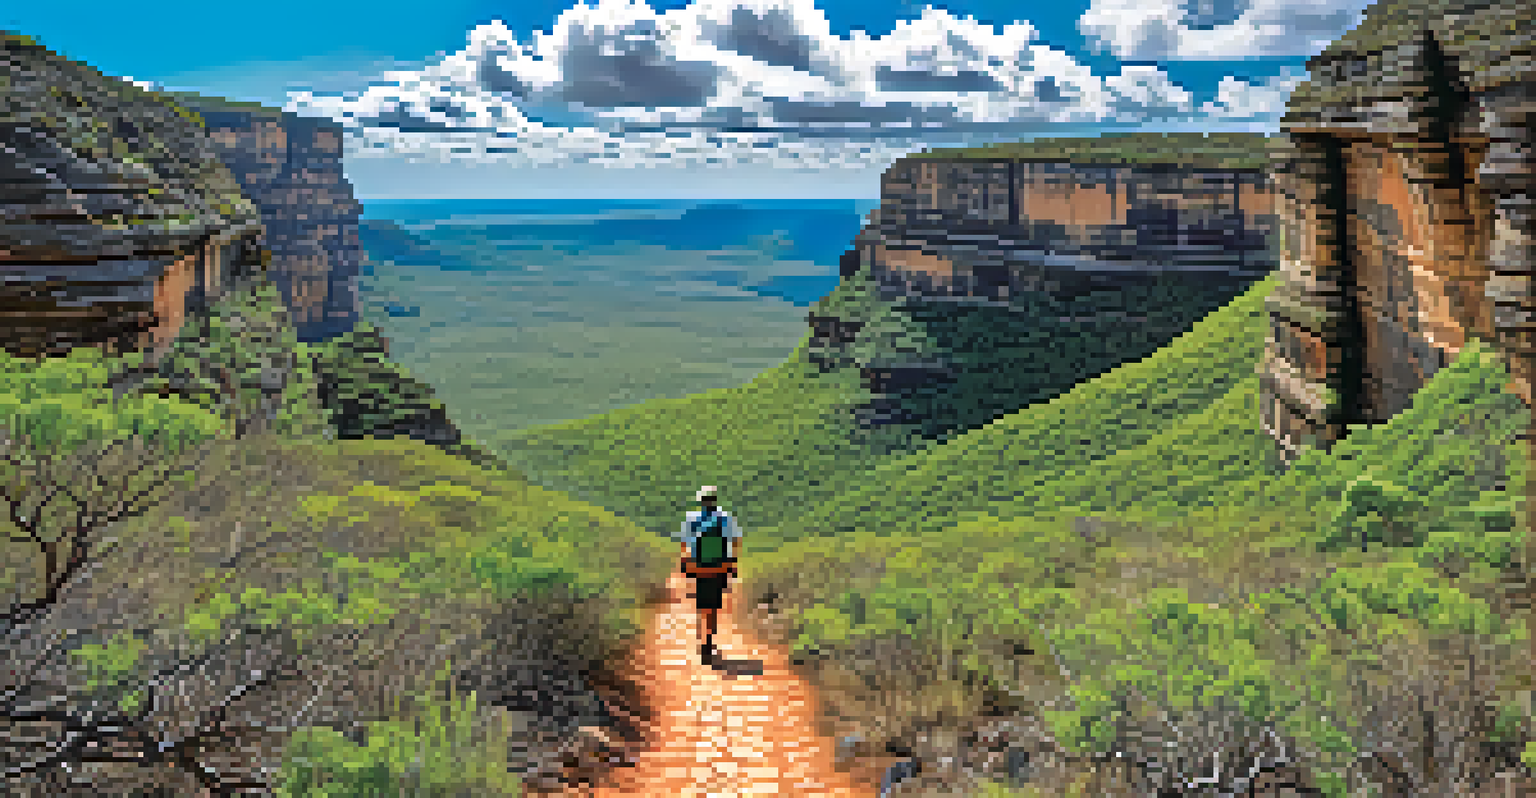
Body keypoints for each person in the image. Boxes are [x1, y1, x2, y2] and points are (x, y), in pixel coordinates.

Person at [677, 485, 742, 666]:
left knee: (701, 603)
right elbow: (735, 541)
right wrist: (732, 564)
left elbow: (685, 544)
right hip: (719, 566)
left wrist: (686, 563)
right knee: (714, 604)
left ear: (701, 501)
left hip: (699, 566)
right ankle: (709, 639)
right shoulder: (725, 518)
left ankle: (702, 640)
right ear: (714, 500)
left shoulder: (692, 518)